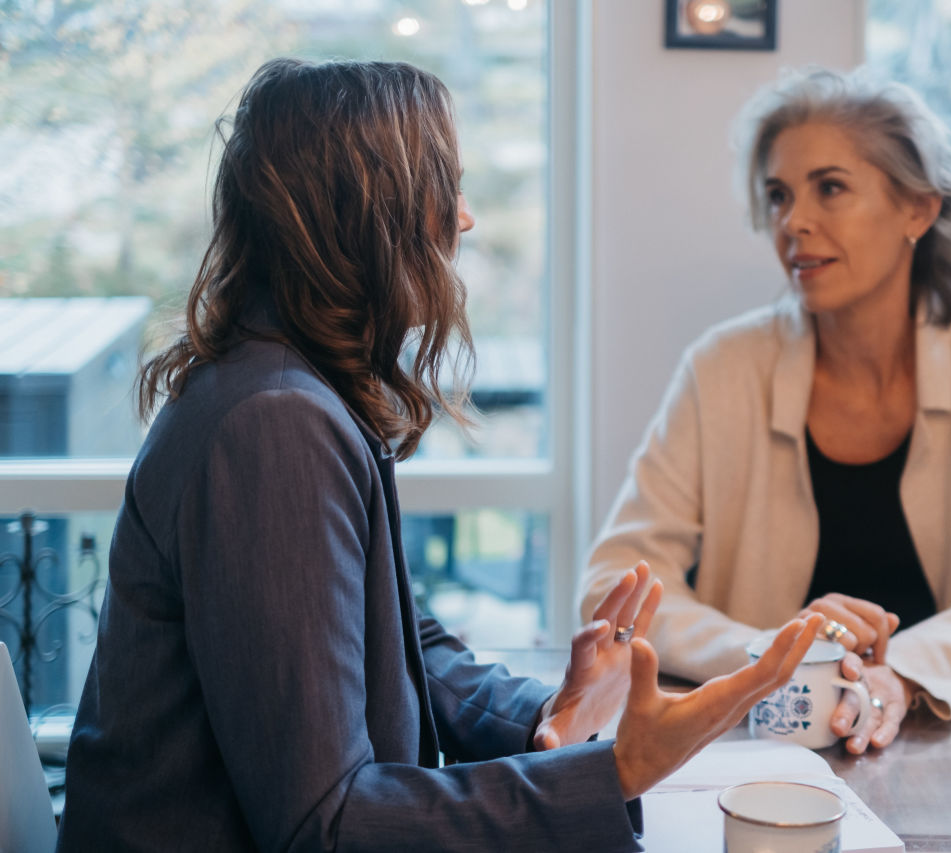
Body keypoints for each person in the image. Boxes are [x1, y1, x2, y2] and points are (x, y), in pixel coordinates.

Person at [56, 58, 825, 853]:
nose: (464, 220)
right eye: (444, 187)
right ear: (370, 213)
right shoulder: (273, 423)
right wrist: (612, 773)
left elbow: (398, 641)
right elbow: (328, 824)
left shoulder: (287, 390)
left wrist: (546, 710)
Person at [578, 66, 951, 755]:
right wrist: (769, 656)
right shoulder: (723, 366)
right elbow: (614, 590)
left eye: (830, 187)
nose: (793, 221)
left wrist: (903, 673)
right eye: (777, 196)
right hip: (764, 754)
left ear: (919, 208)